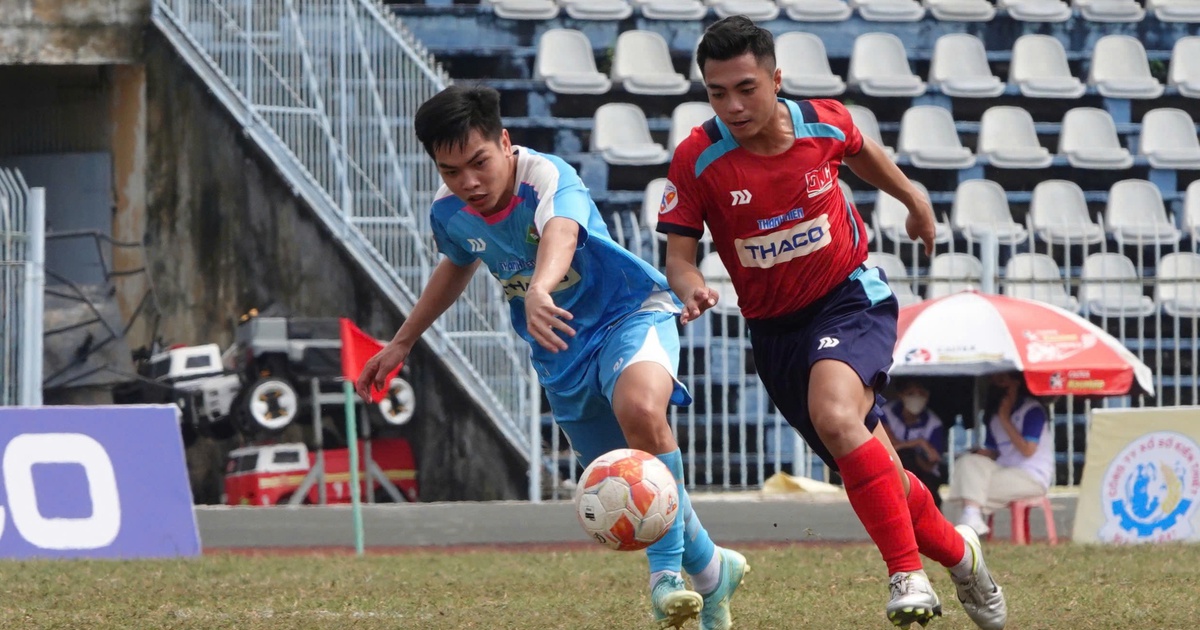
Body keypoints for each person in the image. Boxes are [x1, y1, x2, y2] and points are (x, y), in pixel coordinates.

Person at [657, 16, 1006, 630]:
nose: (733, 106)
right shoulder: (698, 158)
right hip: (775, 334)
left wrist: (914, 199)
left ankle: (906, 575)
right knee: (878, 473)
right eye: (717, 93)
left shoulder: (824, 121)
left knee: (838, 416)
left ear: (775, 79)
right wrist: (691, 288)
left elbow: (862, 150)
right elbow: (678, 258)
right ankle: (963, 555)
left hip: (848, 298)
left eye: (746, 88)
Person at [354, 85, 745, 630]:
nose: (468, 182)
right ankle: (712, 573)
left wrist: (540, 288)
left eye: (478, 163)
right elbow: (457, 264)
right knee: (626, 479)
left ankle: (664, 578)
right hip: (561, 354)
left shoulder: (548, 176)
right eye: (450, 171)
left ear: (505, 143)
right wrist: (401, 340)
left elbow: (560, 233)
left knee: (641, 411)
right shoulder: (451, 213)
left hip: (628, 315)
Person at [951, 372, 1054, 537]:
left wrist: (1005, 420)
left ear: (1017, 383)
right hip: (1003, 469)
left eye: (1003, 381)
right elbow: (994, 452)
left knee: (970, 490)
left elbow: (1028, 450)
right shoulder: (994, 417)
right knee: (967, 463)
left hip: (1031, 476)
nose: (999, 387)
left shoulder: (1032, 410)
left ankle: (970, 518)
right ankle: (972, 518)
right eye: (995, 382)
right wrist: (976, 454)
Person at [881, 380, 947, 510]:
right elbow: (887, 446)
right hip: (892, 470)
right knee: (905, 455)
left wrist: (913, 452)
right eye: (911, 393)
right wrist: (919, 443)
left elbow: (932, 462)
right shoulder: (886, 413)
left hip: (924, 475)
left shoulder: (934, 423)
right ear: (901, 394)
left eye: (921, 393)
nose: (916, 398)